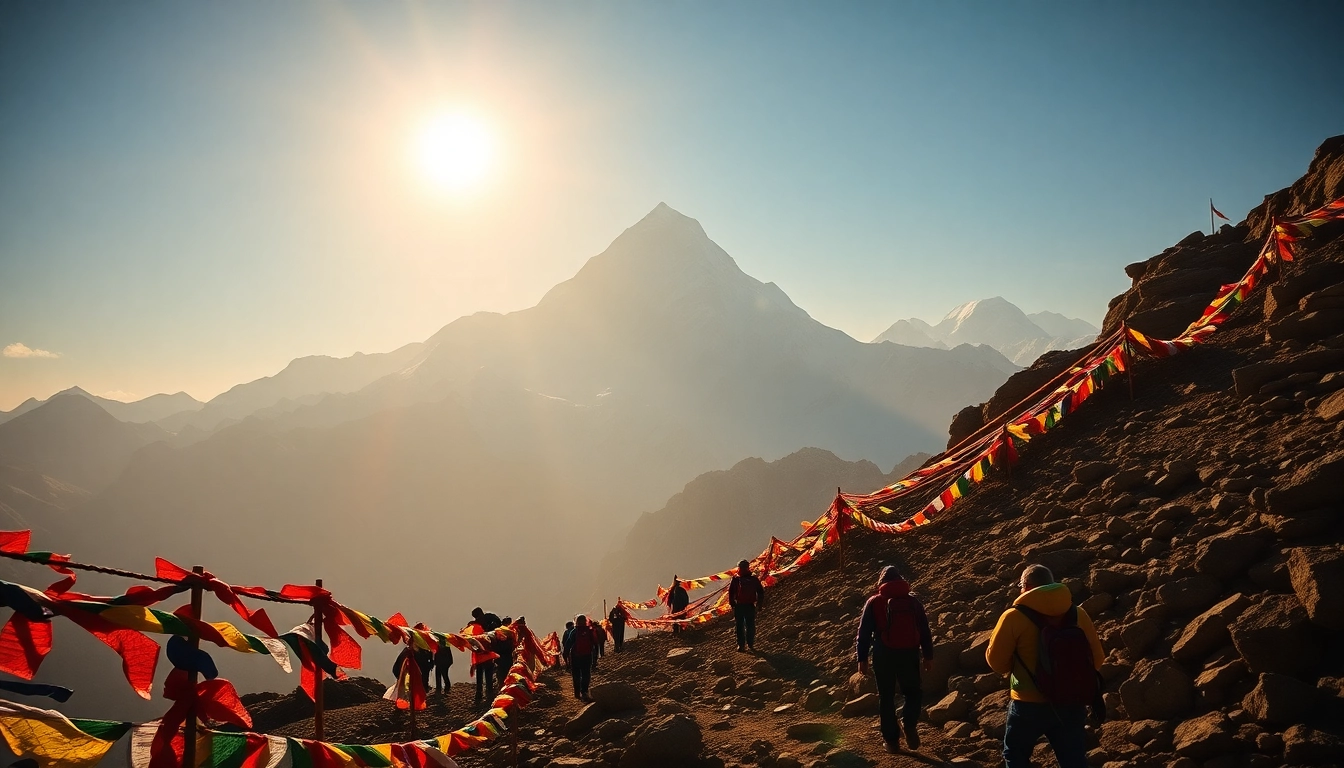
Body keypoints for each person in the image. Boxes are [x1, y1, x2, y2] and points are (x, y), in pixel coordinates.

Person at [986, 564, 1104, 768]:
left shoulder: (1013, 616)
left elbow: (997, 663)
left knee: (1015, 753)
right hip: (1071, 699)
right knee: (1073, 759)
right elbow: (1097, 659)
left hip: (1027, 702)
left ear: (1027, 586)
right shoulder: (1077, 614)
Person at [855, 565, 934, 753]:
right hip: (909, 652)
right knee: (913, 692)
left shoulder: (874, 602)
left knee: (886, 697)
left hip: (883, 654)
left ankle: (891, 742)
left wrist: (862, 658)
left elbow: (863, 632)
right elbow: (924, 630)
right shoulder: (913, 602)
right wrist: (928, 655)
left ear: (881, 583)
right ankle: (909, 723)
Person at [728, 560, 765, 652]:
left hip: (739, 606)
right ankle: (750, 644)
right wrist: (759, 604)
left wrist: (732, 604)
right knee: (750, 625)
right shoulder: (754, 579)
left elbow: (731, 592)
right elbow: (760, 592)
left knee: (739, 626)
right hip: (750, 605)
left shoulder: (736, 579)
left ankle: (741, 645)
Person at [466, 612, 501, 703]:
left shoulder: (488, 620)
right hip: (486, 654)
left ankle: (482, 693)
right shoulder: (486, 622)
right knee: (485, 674)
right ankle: (485, 693)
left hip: (483, 655)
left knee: (482, 674)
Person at [562, 614, 597, 701]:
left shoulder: (574, 632)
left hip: (575, 656)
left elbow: (568, 645)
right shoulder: (589, 631)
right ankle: (584, 691)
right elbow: (594, 644)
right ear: (586, 622)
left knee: (576, 674)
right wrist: (595, 658)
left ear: (576, 622)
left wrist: (565, 657)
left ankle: (577, 693)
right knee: (586, 673)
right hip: (587, 655)